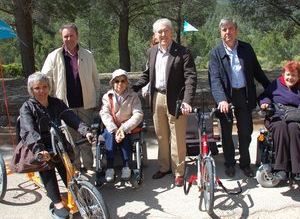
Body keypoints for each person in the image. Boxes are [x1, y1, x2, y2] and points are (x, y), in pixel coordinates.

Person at [132, 18, 197, 187]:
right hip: (157, 98)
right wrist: (133, 89)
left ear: (172, 32)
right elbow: (147, 75)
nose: (163, 34)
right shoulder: (152, 52)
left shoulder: (183, 52)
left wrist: (187, 100)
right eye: (159, 31)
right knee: (161, 135)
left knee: (178, 137)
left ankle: (179, 172)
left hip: (177, 99)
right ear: (155, 34)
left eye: (166, 30)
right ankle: (165, 167)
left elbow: (191, 78)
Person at [19, 72, 94, 219]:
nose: (42, 91)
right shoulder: (27, 107)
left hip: (57, 140)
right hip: (37, 143)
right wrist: (39, 149)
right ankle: (57, 201)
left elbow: (71, 117)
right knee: (46, 166)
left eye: (45, 86)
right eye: (37, 88)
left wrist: (86, 132)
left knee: (65, 162)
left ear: (49, 87)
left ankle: (75, 191)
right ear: (31, 90)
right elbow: (29, 130)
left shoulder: (56, 103)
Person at [208, 17, 270, 178]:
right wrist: (221, 99)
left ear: (236, 30)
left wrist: (272, 88)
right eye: (224, 29)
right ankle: (229, 163)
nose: (227, 32)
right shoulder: (215, 53)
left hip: (244, 94)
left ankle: (244, 163)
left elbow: (258, 71)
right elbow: (214, 79)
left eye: (230, 28)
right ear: (220, 32)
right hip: (226, 98)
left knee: (245, 131)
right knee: (226, 133)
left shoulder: (246, 48)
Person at [42, 23, 100, 172]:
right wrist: (49, 100)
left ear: (77, 36)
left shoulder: (87, 55)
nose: (68, 39)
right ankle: (75, 169)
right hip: (64, 104)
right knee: (70, 140)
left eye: (71, 35)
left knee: (86, 137)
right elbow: (45, 79)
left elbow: (95, 79)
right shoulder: (54, 56)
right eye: (65, 36)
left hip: (85, 103)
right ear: (62, 38)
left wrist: (96, 99)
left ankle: (89, 167)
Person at [259, 61, 300, 180]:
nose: (290, 78)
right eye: (288, 74)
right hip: (277, 116)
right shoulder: (276, 84)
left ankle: (299, 169)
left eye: (294, 75)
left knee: (294, 128)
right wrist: (265, 103)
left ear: (298, 76)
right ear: (283, 74)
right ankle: (280, 168)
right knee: (281, 127)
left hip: (296, 117)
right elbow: (264, 96)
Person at [99, 69, 144, 181]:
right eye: (117, 81)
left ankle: (126, 166)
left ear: (127, 83)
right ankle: (110, 167)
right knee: (110, 135)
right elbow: (104, 114)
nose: (120, 83)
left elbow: (138, 114)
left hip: (127, 126)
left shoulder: (133, 96)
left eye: (123, 81)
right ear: (112, 83)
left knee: (126, 135)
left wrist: (123, 129)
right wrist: (115, 130)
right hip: (112, 127)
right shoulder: (107, 97)